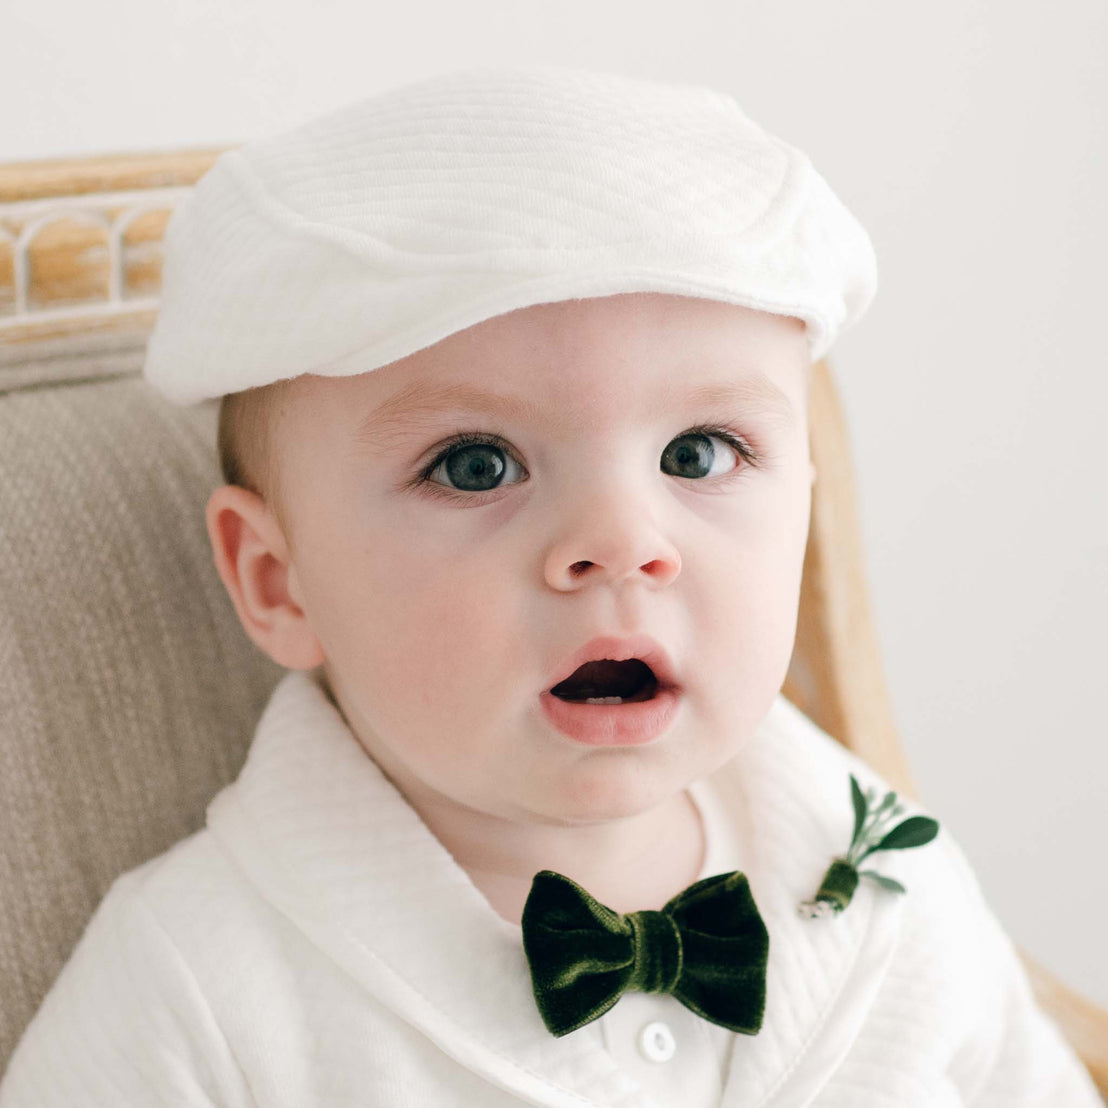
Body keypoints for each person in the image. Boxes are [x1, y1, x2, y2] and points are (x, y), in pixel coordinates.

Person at [0, 64, 1100, 1108]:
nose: (620, 543)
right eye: (476, 465)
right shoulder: (202, 989)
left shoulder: (887, 880)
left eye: (699, 453)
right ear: (279, 581)